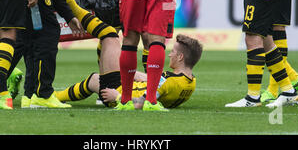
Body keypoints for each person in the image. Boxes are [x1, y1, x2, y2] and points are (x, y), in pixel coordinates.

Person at [55, 34, 203, 109]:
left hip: (119, 92)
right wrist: (129, 73)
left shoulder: (168, 82)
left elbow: (141, 103)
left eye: (173, 52)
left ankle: (54, 97)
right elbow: (154, 81)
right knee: (95, 79)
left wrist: (118, 97)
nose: (170, 55)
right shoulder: (190, 81)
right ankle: (57, 97)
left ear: (181, 57)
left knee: (109, 37)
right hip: (128, 87)